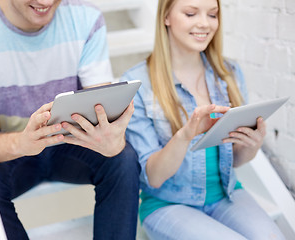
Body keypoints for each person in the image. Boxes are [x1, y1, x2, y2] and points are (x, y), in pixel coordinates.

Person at [0, 0, 141, 239]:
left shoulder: (86, 17)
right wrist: (21, 143)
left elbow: (101, 109)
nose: (46, 2)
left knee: (123, 159)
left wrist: (111, 138)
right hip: (12, 150)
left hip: (69, 143)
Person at [120, 0, 286, 239]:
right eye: (190, 13)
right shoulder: (137, 84)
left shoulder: (228, 73)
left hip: (226, 194)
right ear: (166, 17)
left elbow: (237, 160)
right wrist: (186, 134)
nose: (204, 24)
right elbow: (154, 177)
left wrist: (253, 144)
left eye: (212, 14)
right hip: (167, 204)